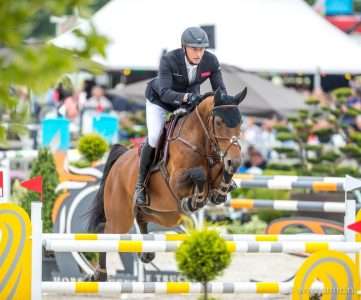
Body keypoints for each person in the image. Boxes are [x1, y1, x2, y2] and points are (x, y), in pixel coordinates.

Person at [134, 26, 227, 206]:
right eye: (194, 49)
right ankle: (141, 184)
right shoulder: (169, 60)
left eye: (201, 49)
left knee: (204, 129)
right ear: (184, 47)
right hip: (160, 100)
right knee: (154, 136)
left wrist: (226, 102)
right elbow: (165, 92)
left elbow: (220, 90)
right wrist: (186, 97)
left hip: (189, 99)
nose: (198, 54)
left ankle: (218, 173)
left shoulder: (211, 61)